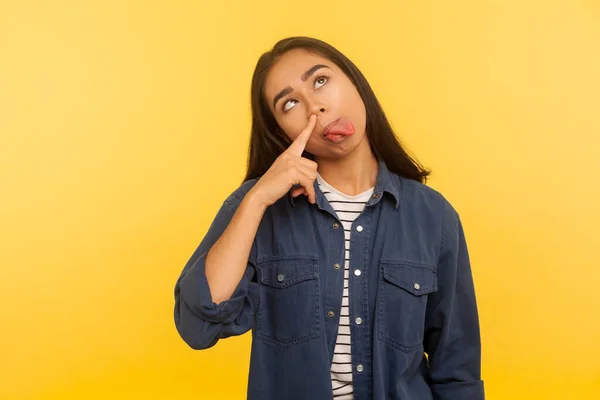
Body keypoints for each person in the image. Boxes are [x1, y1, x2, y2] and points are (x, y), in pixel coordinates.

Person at [174, 36, 484, 400]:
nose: (315, 108)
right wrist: (257, 198)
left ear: (355, 82)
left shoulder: (434, 216)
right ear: (280, 131)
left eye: (320, 81)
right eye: (290, 103)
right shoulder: (257, 208)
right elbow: (198, 325)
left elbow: (457, 368)